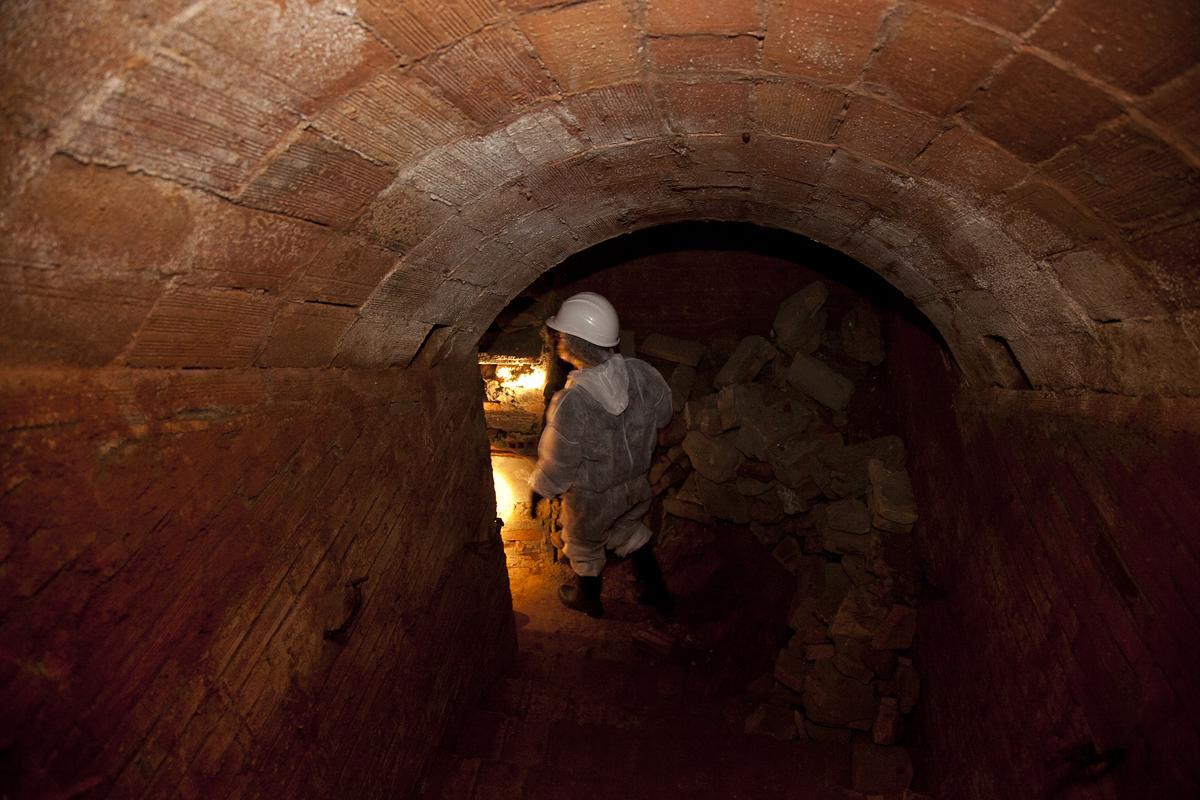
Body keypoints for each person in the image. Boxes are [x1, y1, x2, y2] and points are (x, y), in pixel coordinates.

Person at [529, 292, 674, 619]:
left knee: (583, 544)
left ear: (574, 343)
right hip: (635, 486)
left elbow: (559, 459)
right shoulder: (642, 374)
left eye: (562, 336)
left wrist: (540, 488)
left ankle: (588, 599)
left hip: (592, 499)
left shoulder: (573, 402)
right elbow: (664, 413)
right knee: (630, 532)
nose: (558, 340)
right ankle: (656, 592)